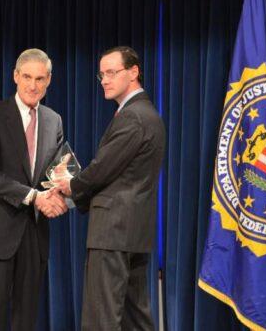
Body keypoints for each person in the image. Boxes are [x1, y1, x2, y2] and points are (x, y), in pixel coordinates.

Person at [54, 46, 165, 330]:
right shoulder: (146, 113)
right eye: (101, 74)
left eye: (111, 73)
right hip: (133, 233)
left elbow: (103, 168)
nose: (104, 80)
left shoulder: (133, 116)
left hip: (113, 233)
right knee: (134, 317)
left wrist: (70, 185)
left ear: (134, 72)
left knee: (101, 319)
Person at [0, 48, 68, 331]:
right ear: (15, 76)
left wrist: (60, 188)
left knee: (25, 323)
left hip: (33, 239)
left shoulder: (53, 120)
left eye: (39, 78)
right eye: (26, 77)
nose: (33, 85)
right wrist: (35, 197)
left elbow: (54, 173)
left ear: (49, 80)